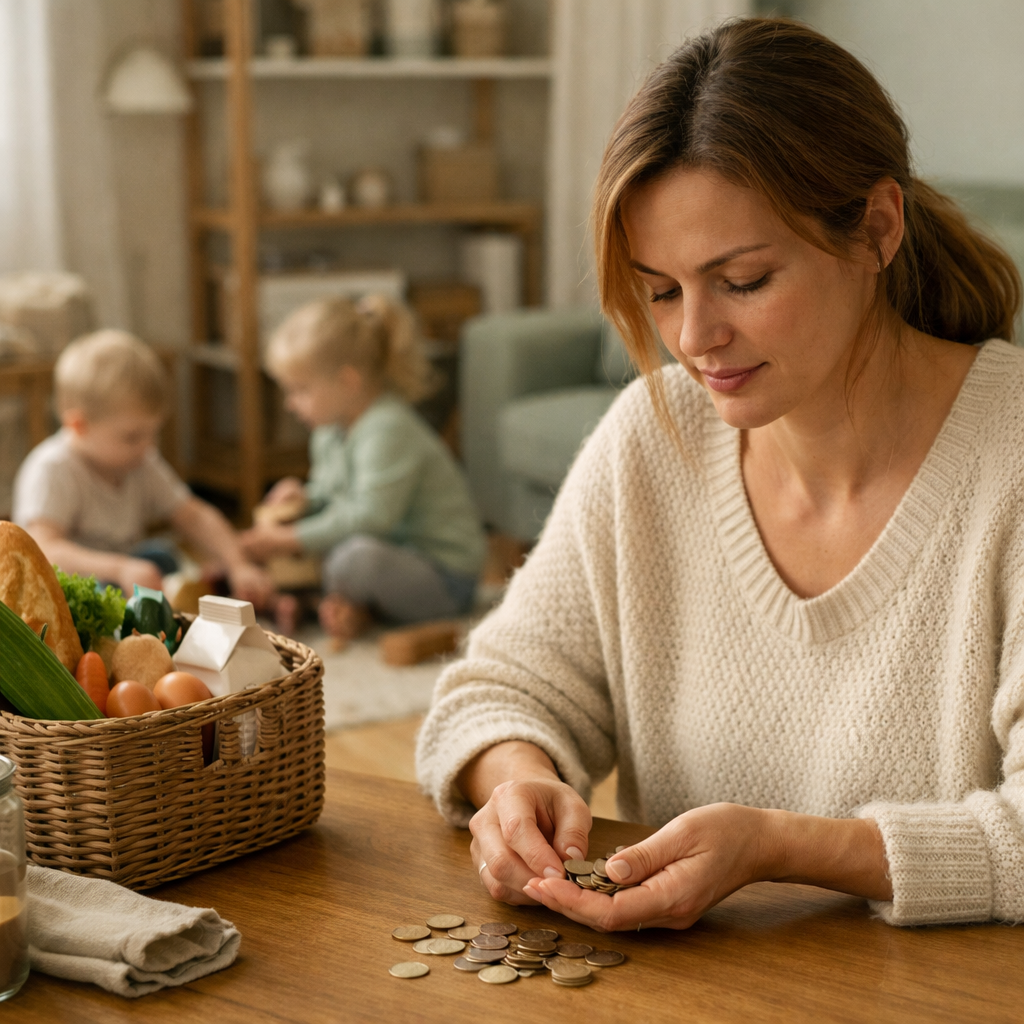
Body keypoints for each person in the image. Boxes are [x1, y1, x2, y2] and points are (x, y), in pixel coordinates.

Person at [415, 17, 1024, 931]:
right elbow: (499, 688)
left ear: (877, 230)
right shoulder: (651, 443)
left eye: (741, 280)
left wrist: (780, 847)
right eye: (660, 289)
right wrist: (517, 780)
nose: (695, 338)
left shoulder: (1009, 463)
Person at [240, 295, 486, 644]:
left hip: (443, 577)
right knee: (321, 545)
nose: (290, 404)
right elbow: (335, 496)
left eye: (301, 390)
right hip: (391, 554)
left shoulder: (388, 428)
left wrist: (289, 539)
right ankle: (334, 605)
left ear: (348, 381)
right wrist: (306, 498)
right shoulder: (328, 432)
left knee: (351, 559)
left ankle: (323, 602)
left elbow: (372, 517)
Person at [12, 329, 272, 605]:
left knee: (161, 557)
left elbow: (193, 515)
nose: (148, 446)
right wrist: (119, 568)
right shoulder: (52, 469)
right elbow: (45, 550)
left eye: (154, 433)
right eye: (132, 436)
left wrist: (238, 564)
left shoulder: (140, 460)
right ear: (78, 426)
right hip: (64, 585)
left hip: (120, 572)